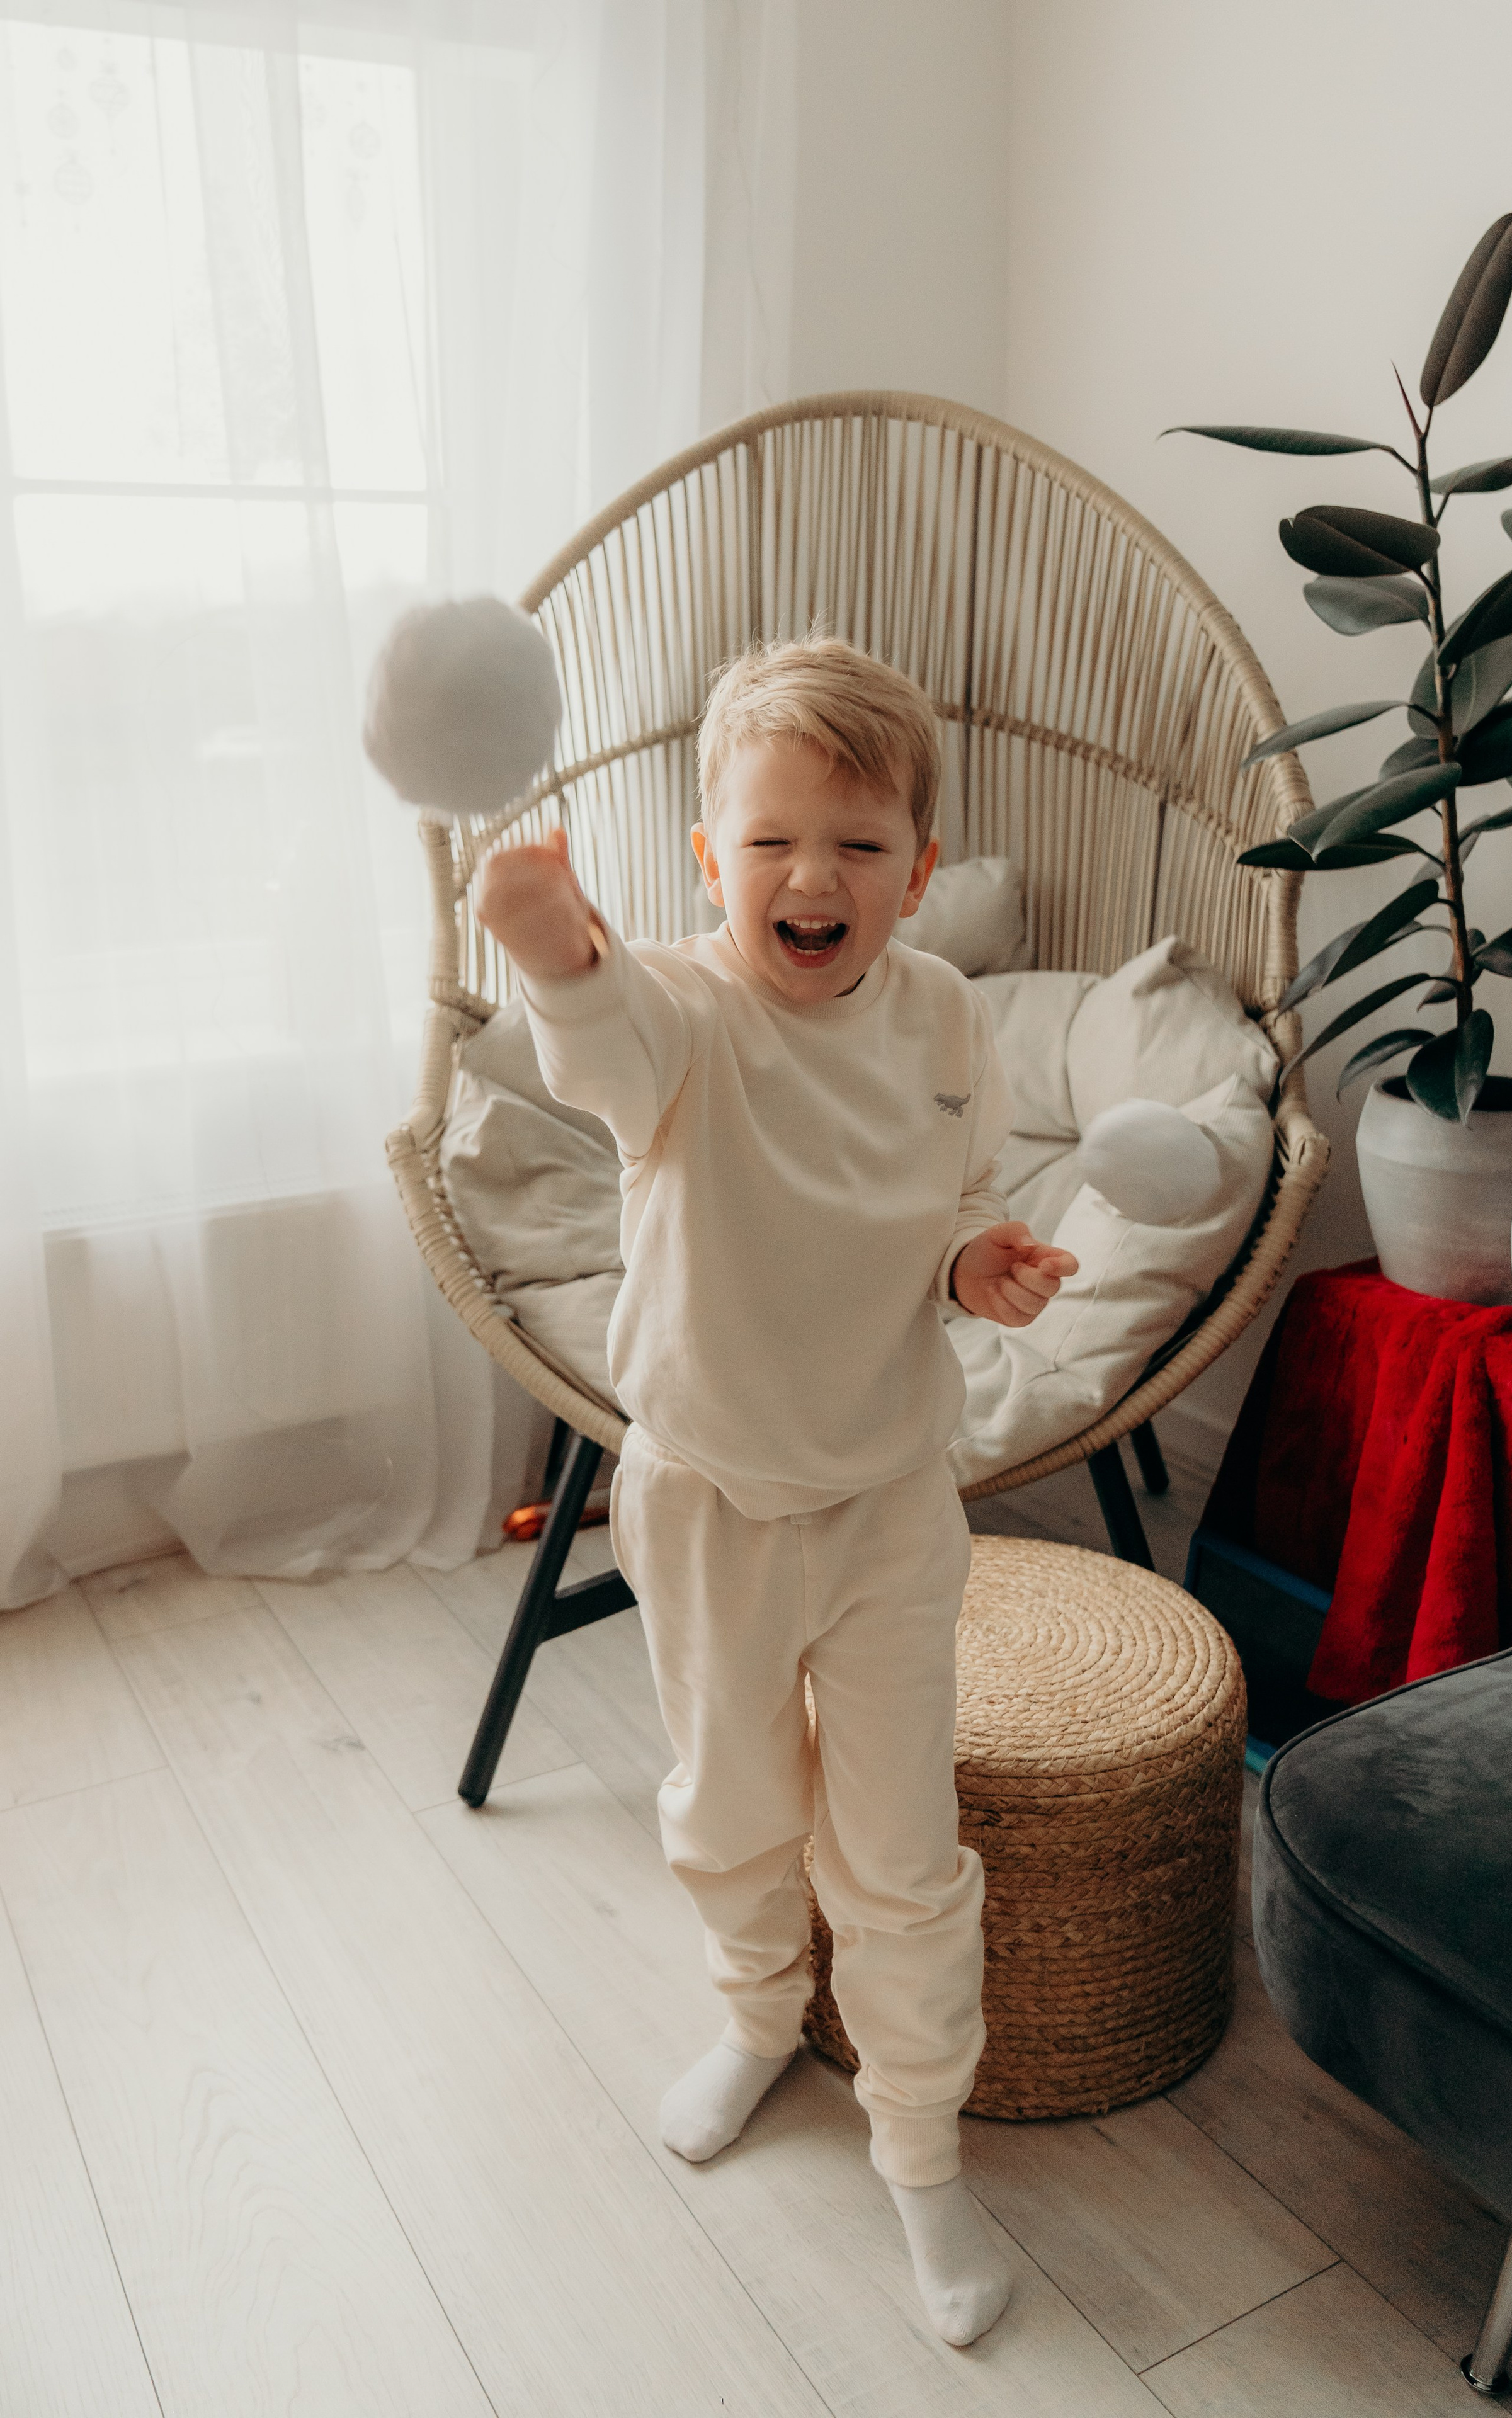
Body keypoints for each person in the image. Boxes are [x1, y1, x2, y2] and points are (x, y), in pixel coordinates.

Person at [474, 634, 1076, 2347]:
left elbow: (954, 1201)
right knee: (730, 1804)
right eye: (771, 843)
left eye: (860, 846)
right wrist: (552, 945)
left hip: (891, 1499)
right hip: (709, 1498)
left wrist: (977, 1264)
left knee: (901, 1851)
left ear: (920, 873)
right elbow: (601, 1042)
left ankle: (920, 2145)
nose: (813, 878)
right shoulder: (679, 1011)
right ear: (706, 859)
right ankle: (755, 2018)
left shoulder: (947, 1013)